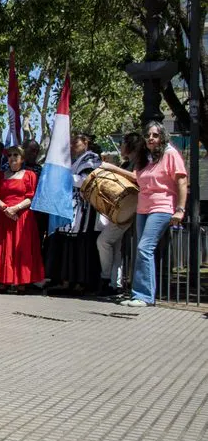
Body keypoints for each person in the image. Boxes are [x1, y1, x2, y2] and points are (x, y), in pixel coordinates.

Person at [102, 122, 187, 307]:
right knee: (141, 250)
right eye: (148, 135)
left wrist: (180, 210)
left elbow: (182, 181)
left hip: (163, 207)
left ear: (162, 137)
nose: (151, 138)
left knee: (144, 248)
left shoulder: (170, 153)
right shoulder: (146, 158)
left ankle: (144, 296)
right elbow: (135, 178)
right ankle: (138, 294)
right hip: (143, 208)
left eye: (155, 135)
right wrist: (112, 168)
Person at [0, 145, 44, 293]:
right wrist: (5, 209)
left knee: (20, 247)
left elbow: (31, 197)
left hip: (21, 217)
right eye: (10, 155)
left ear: (22, 159)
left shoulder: (30, 175)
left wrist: (14, 209)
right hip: (2, 216)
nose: (12, 158)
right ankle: (3, 280)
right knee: (3, 248)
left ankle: (21, 281)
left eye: (16, 155)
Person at [46, 133, 102, 295]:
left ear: (86, 142)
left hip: (82, 209)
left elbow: (86, 181)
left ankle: (80, 281)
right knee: (65, 242)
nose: (72, 145)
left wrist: (63, 177)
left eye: (75, 142)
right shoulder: (72, 160)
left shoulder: (91, 159)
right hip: (67, 206)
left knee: (80, 244)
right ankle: (66, 280)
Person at [95, 132, 142, 297]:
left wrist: (111, 168)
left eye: (122, 143)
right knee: (115, 247)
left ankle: (106, 278)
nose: (120, 147)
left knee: (103, 241)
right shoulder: (127, 163)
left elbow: (137, 178)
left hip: (129, 209)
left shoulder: (139, 162)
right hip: (121, 209)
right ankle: (115, 284)